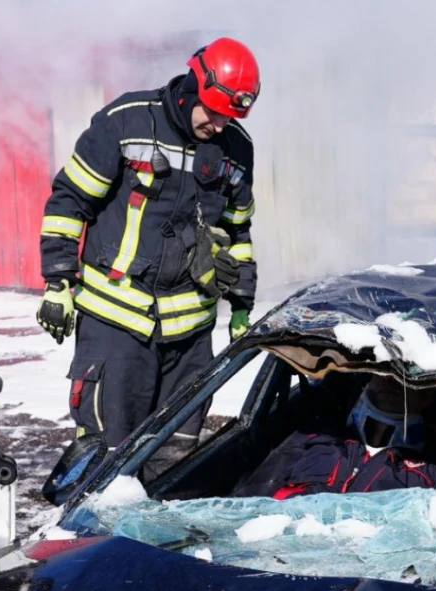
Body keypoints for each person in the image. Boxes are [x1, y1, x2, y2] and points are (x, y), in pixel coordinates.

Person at [36, 37, 261, 476]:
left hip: (191, 335)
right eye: (212, 112)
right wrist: (58, 282)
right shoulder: (127, 122)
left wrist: (241, 305)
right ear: (194, 86)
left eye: (229, 116)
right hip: (117, 324)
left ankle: (158, 541)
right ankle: (95, 542)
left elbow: (238, 231)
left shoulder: (238, 149)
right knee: (108, 454)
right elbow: (68, 202)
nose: (218, 125)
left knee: (174, 455)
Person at [233, 376, 436, 498]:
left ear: (430, 394)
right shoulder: (313, 437)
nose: (390, 379)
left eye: (407, 376)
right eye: (383, 370)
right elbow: (250, 500)